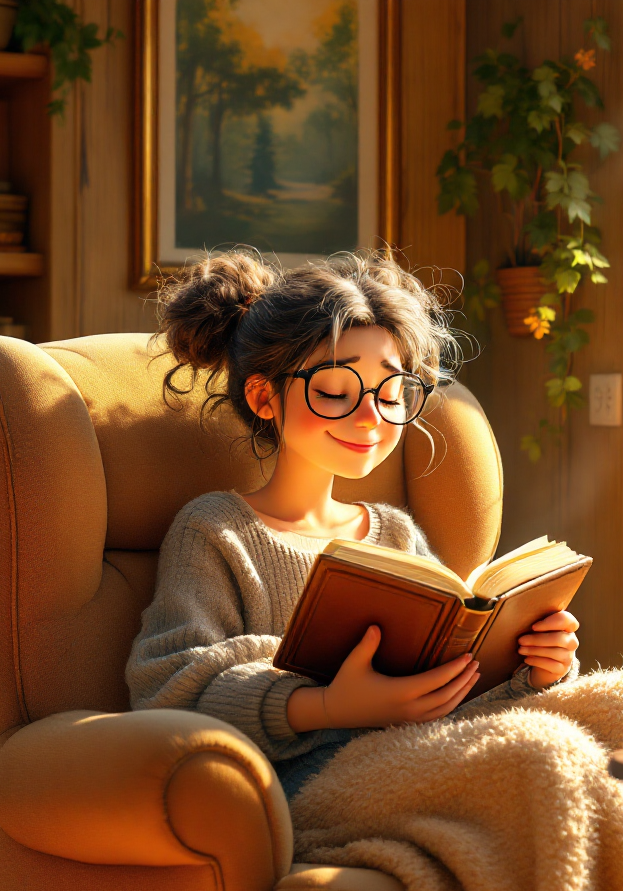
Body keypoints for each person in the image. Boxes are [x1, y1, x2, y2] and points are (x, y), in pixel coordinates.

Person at [125, 249, 580, 799]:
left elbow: (451, 694)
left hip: (423, 757)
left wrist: (534, 670)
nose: (371, 419)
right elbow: (166, 692)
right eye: (336, 393)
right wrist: (323, 706)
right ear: (264, 396)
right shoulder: (217, 532)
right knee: (547, 764)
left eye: (391, 395)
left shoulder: (395, 534)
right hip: (317, 787)